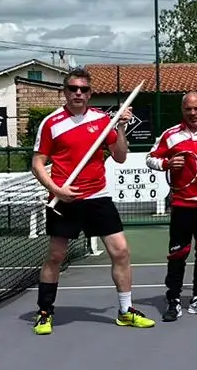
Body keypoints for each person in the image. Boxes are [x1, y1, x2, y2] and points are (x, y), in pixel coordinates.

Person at [31, 68, 155, 334]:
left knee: (121, 251)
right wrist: (56, 189)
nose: (78, 93)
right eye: (73, 89)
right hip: (64, 198)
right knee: (56, 256)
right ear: (64, 92)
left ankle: (125, 311)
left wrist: (121, 126)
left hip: (98, 197)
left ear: (90, 93)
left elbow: (120, 156)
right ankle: (44, 312)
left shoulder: (103, 121)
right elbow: (37, 164)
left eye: (83, 90)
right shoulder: (51, 123)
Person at [147, 92, 197, 321]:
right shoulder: (170, 135)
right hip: (183, 204)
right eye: (188, 109)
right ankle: (173, 299)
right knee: (178, 253)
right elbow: (150, 158)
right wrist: (167, 163)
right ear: (182, 110)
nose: (193, 113)